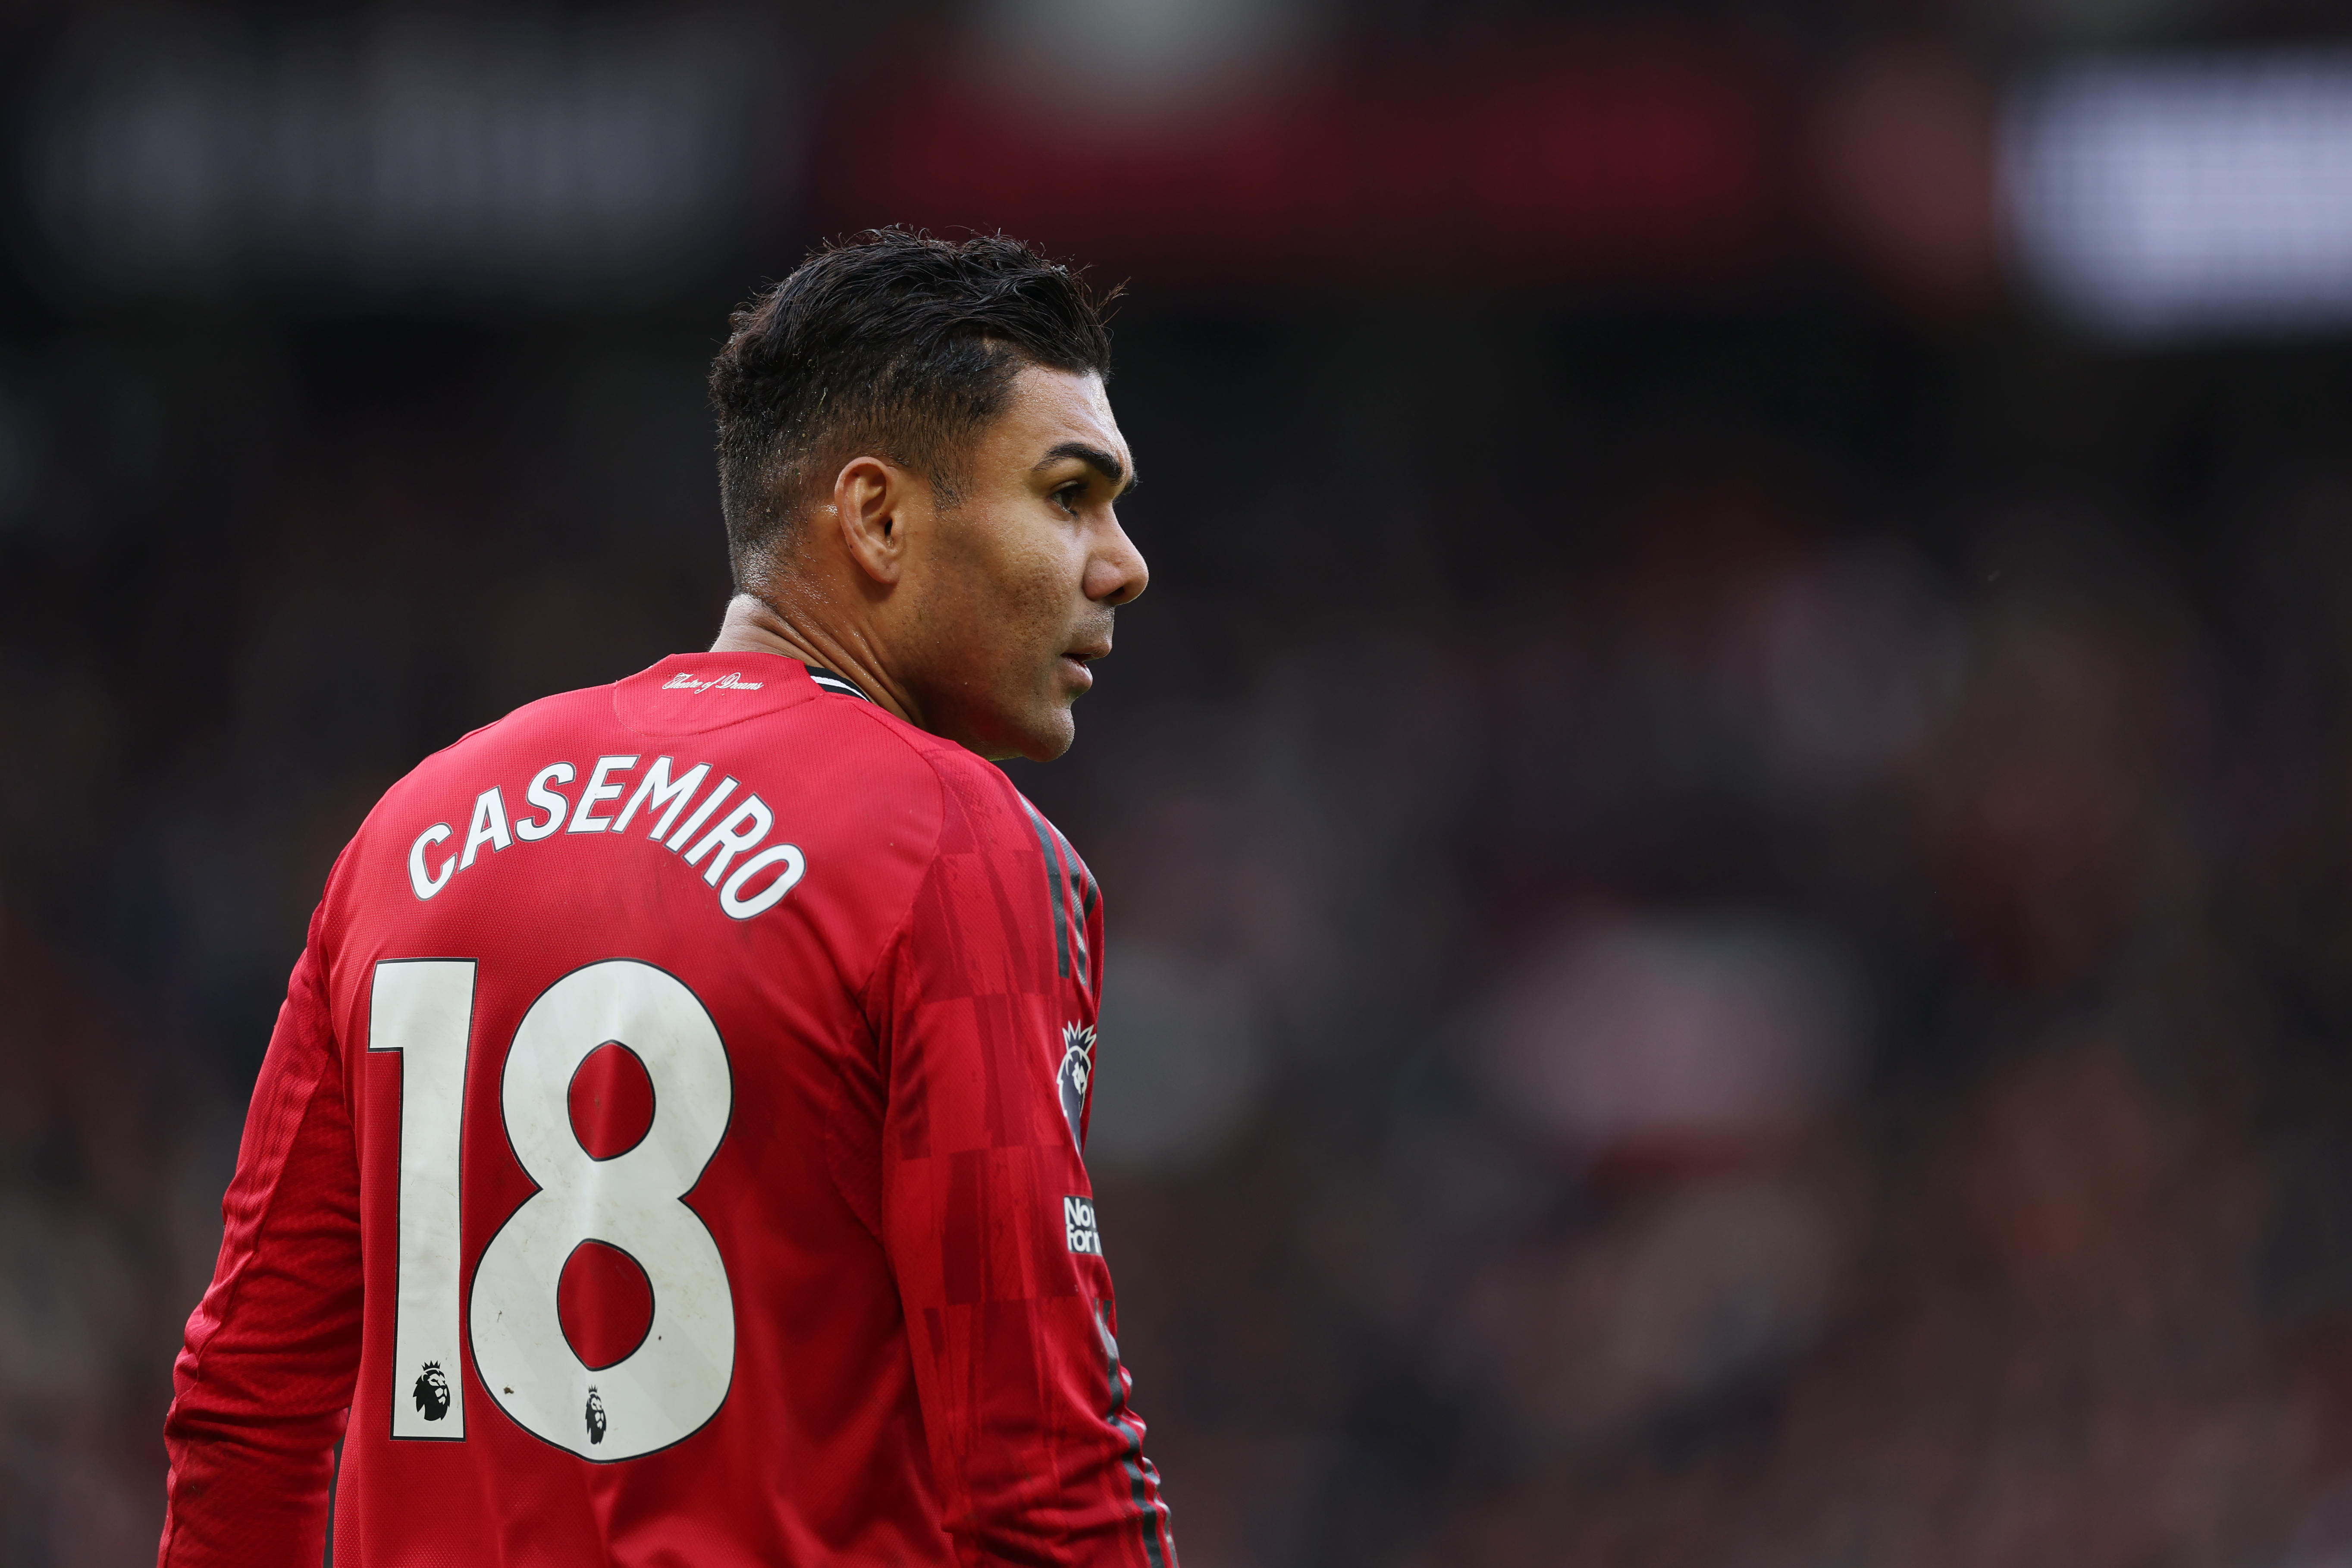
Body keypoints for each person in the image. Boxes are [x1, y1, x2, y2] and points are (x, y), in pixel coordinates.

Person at [156, 229, 1175, 1568]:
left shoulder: (410, 830)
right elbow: (1047, 1478)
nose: (1122, 562)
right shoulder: (954, 843)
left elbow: (248, 1408)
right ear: (876, 517)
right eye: (1069, 495)